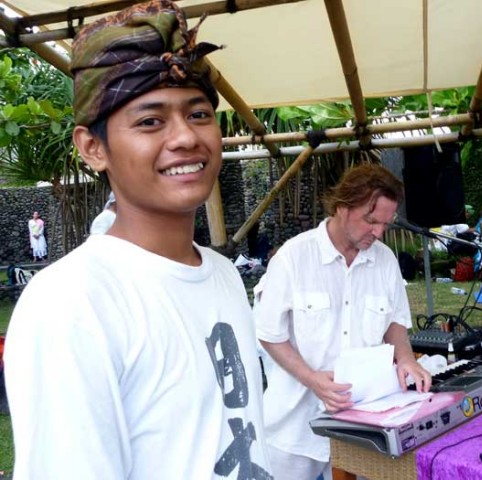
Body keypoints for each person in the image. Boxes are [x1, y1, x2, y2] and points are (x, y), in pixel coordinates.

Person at [4, 2, 272, 479]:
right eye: (151, 121)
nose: (186, 138)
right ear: (93, 148)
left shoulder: (224, 275)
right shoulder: (72, 303)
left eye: (199, 113)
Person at [254, 163, 432, 480]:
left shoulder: (385, 260)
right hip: (295, 429)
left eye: (385, 224)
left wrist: (406, 359)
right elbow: (269, 335)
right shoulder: (294, 257)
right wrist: (311, 378)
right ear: (342, 206)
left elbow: (394, 322)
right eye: (371, 220)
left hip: (364, 427)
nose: (378, 232)